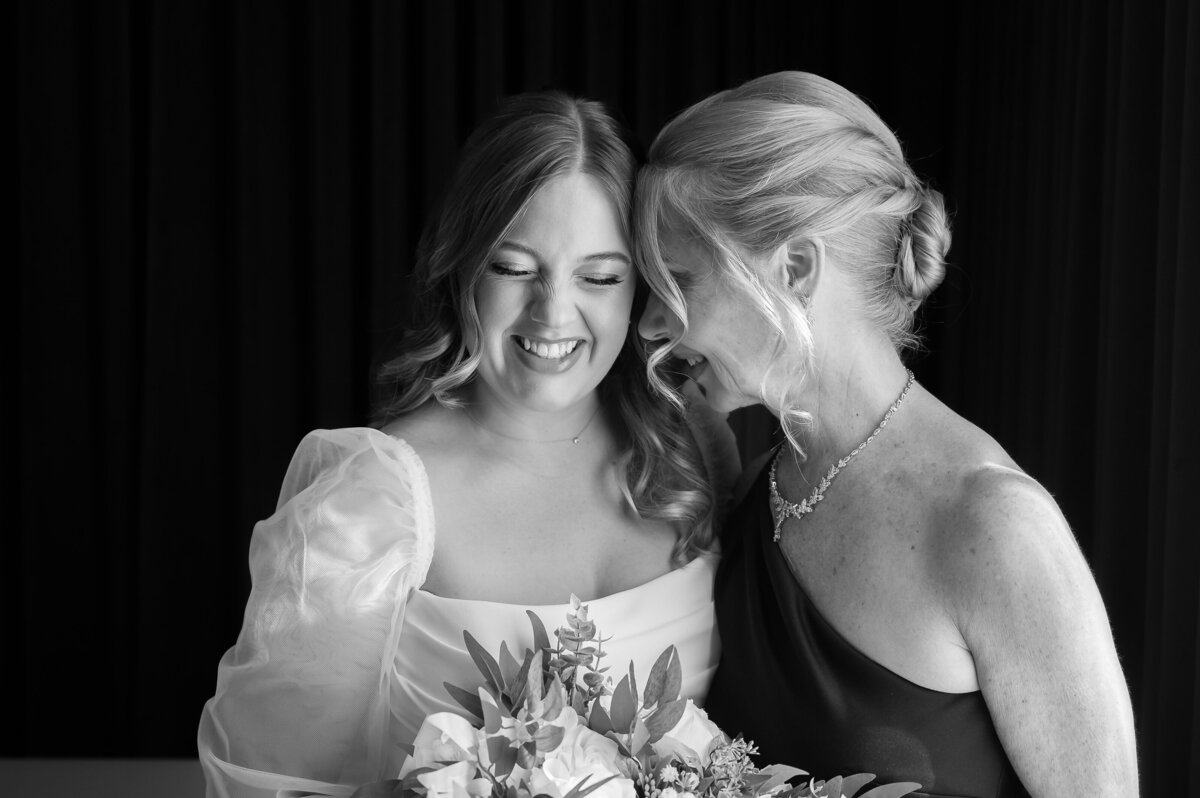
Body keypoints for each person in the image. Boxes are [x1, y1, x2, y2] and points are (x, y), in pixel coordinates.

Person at [199, 91, 731, 798]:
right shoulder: (375, 500)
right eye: (515, 268)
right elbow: (269, 781)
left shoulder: (697, 451)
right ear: (463, 266)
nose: (554, 312)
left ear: (639, 287)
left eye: (599, 277)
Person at [635, 72, 1137, 798]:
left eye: (677, 280)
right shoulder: (752, 492)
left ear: (796, 269)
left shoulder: (994, 529)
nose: (651, 323)